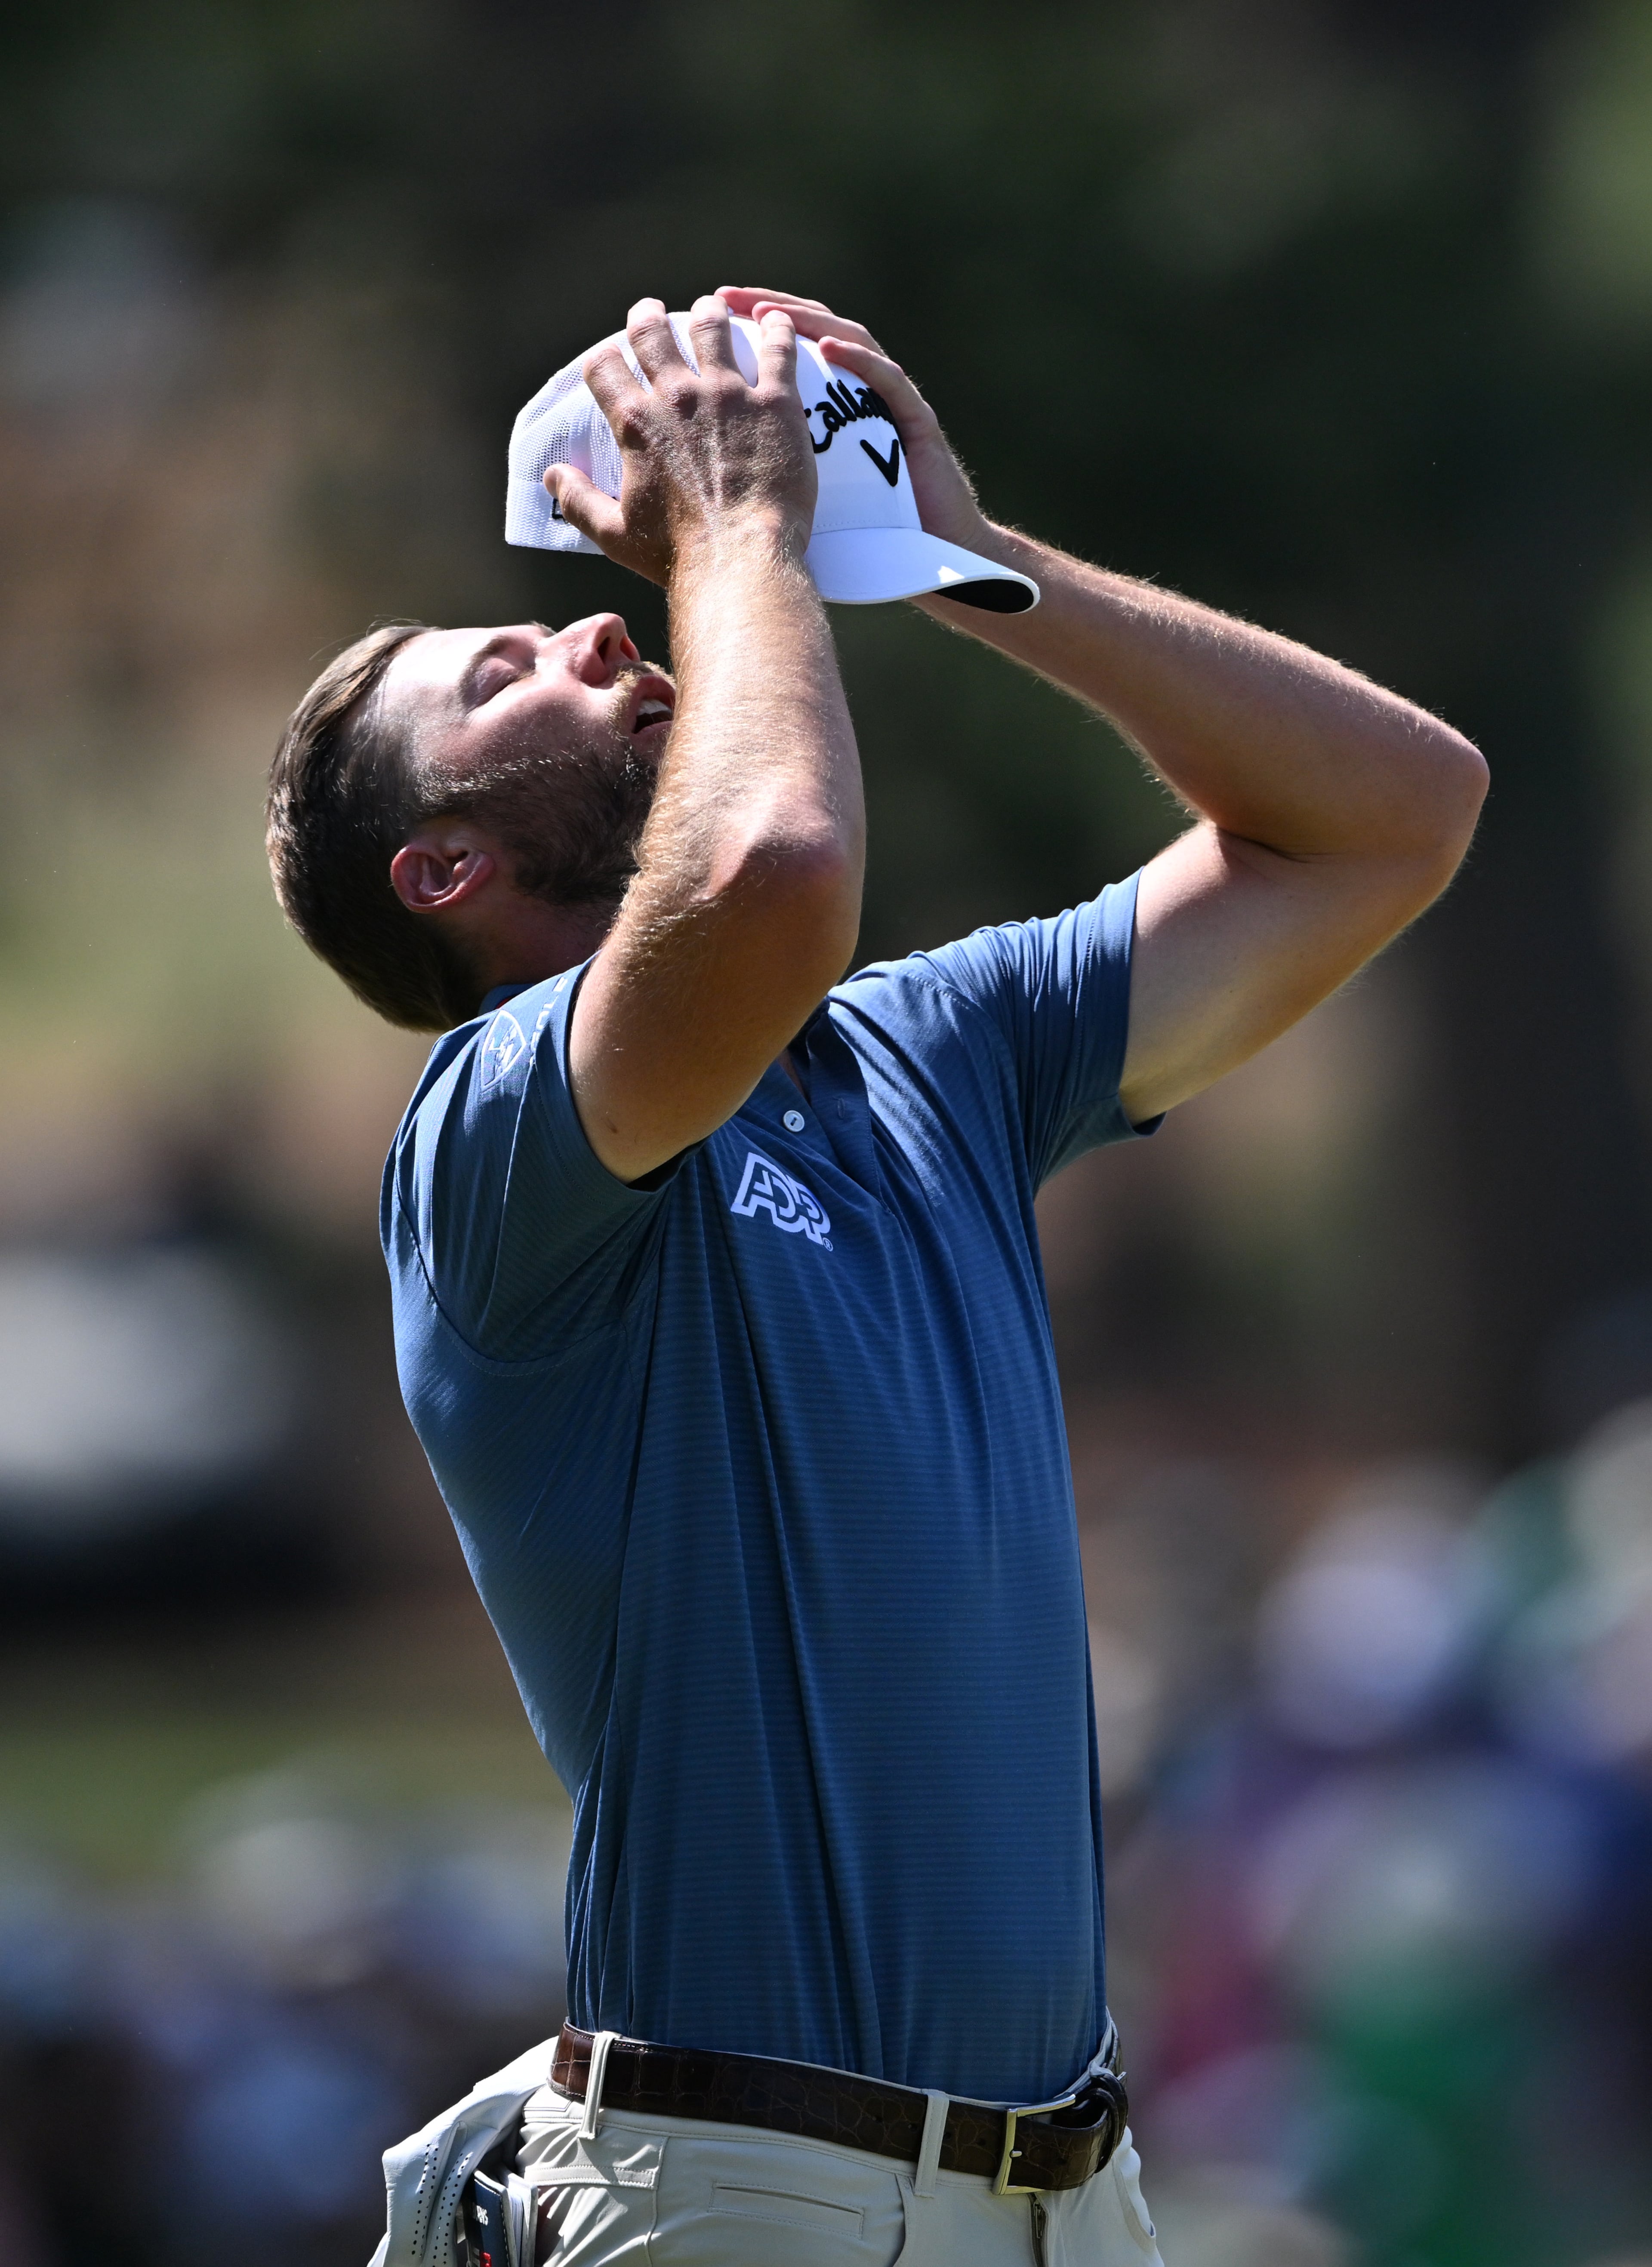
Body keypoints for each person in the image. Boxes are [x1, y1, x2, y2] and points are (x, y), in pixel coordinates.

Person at [266, 290, 1487, 2267]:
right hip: (741, 2190)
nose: (597, 626)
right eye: (508, 674)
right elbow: (767, 881)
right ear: (445, 872)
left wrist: (960, 558)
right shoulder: (490, 1134)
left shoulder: (929, 1051)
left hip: (1072, 2195)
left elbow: (1391, 817)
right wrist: (745, 522)